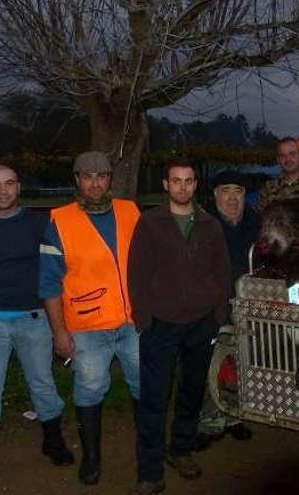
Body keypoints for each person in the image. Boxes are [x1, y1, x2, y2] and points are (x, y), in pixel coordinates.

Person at [0, 165, 74, 487]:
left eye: (9, 184)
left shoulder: (39, 224)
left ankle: (53, 440)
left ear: (18, 187)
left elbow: (55, 265)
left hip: (34, 318)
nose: (3, 191)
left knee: (43, 383)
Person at [39, 151, 141, 486]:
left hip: (132, 323)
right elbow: (49, 284)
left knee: (145, 385)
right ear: (77, 180)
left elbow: (150, 265)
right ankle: (92, 458)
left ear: (110, 178)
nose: (95, 183)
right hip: (87, 328)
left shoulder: (131, 212)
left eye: (101, 176)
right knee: (90, 390)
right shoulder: (59, 221)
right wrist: (58, 333)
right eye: (87, 176)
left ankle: (148, 448)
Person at [129, 161, 230, 494]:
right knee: (154, 399)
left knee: (191, 392)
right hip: (160, 325)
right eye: (176, 181)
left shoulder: (209, 225)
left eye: (188, 181)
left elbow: (222, 272)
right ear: (166, 184)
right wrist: (144, 319)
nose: (183, 187)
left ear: (195, 185)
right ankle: (150, 470)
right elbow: (137, 273)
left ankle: (181, 451)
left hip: (200, 324)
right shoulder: (150, 223)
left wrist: (217, 315)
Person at [193, 171, 258, 451]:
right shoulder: (203, 226)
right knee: (212, 365)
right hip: (214, 307)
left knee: (243, 362)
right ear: (215, 194)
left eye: (238, 191)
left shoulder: (256, 224)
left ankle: (234, 417)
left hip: (249, 306)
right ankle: (209, 422)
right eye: (225, 190)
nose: (232, 198)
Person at [256, 137, 299, 212]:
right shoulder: (269, 189)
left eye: (292, 154)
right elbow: (260, 218)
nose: (288, 159)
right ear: (278, 160)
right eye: (282, 156)